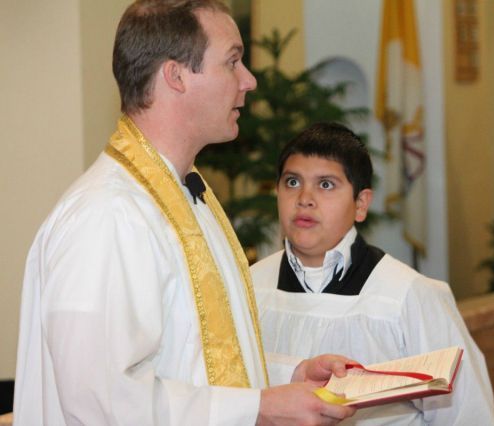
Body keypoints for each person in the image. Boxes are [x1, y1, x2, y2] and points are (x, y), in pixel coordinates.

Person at [13, 2, 356, 425]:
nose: (248, 80)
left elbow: (194, 353)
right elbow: (101, 401)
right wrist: (260, 408)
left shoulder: (188, 192)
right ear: (176, 76)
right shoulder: (108, 214)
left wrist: (289, 376)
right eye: (232, 61)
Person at [251, 122, 494, 425]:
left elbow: (466, 414)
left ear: (361, 204)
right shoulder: (248, 287)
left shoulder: (407, 295)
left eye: (326, 184)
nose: (305, 198)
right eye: (292, 182)